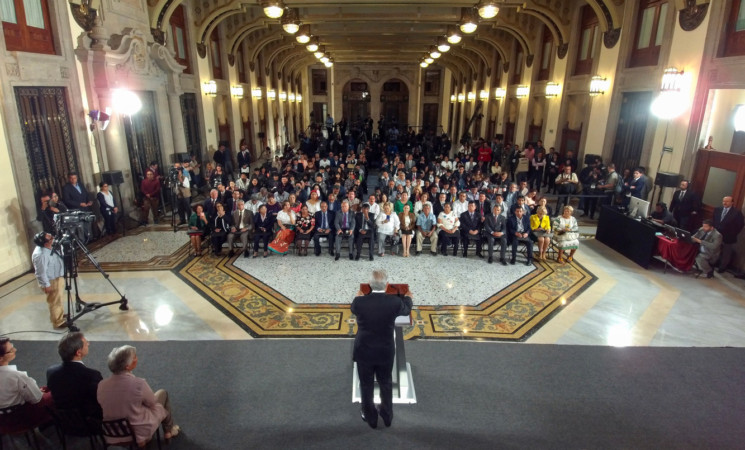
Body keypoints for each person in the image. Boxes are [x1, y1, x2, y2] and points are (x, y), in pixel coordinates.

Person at [351, 270, 413, 429]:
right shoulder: (394, 303)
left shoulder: (359, 302)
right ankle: (387, 414)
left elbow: (354, 308)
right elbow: (406, 309)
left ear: (369, 285)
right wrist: (408, 298)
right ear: (386, 285)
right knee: (385, 382)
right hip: (385, 351)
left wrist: (358, 296)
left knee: (366, 384)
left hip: (364, 350)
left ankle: (370, 417)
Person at [97, 346, 179, 446]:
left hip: (111, 432)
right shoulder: (138, 383)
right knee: (162, 394)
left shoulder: (101, 385)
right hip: (137, 431)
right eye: (134, 357)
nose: (137, 358)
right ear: (127, 366)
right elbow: (152, 402)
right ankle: (168, 432)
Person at [46, 332, 103, 419]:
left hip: (64, 422)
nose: (89, 343)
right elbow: (100, 399)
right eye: (86, 343)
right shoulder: (92, 375)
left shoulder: (51, 372)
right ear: (78, 353)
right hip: (89, 423)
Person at [0, 338, 54, 428]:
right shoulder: (17, 376)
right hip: (20, 419)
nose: (15, 350)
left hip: (1, 420)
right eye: (11, 350)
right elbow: (38, 400)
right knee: (55, 393)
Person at [31, 232, 66, 328]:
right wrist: (46, 285)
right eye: (50, 238)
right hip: (51, 281)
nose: (53, 237)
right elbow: (40, 272)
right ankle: (58, 322)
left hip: (57, 277)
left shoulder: (50, 246)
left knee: (58, 299)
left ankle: (59, 315)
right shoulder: (40, 255)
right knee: (54, 301)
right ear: (46, 243)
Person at [713, 196, 744, 273]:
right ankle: (713, 263)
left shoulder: (737, 213)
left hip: (729, 236)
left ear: (732, 202)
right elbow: (714, 220)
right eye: (723, 201)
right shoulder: (717, 209)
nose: (725, 203)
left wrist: (733, 233)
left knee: (726, 253)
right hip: (717, 234)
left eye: (727, 201)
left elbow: (740, 225)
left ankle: (722, 267)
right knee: (715, 249)